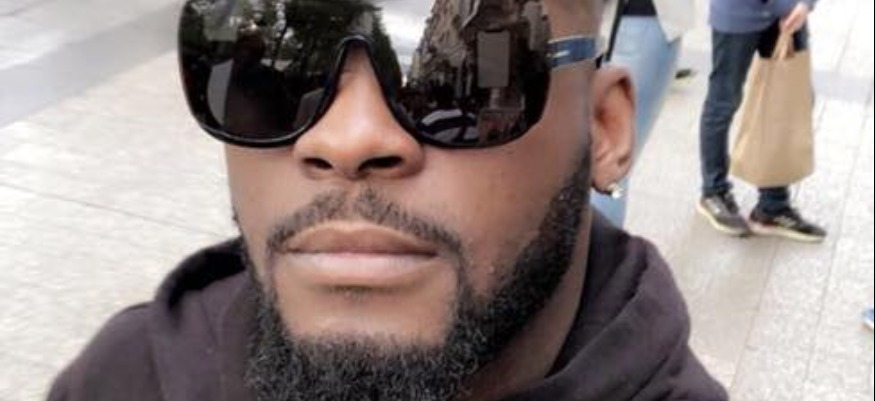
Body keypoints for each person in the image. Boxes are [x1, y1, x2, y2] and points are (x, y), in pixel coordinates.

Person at [47, 1, 727, 400]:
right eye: (278, 76)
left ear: (603, 129)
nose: (346, 139)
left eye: (464, 84)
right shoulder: (120, 377)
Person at [697, 0, 826, 242]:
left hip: (789, 12)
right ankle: (714, 191)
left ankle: (773, 206)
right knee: (723, 103)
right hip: (739, 14)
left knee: (788, 101)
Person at [593, 0, 694, 226]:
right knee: (609, 168)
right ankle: (599, 248)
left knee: (601, 164)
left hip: (617, 22)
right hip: (635, 21)